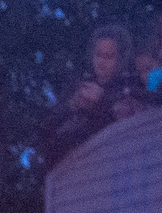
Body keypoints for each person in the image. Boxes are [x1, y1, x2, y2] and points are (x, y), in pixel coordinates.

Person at [41, 25, 128, 165]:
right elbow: (48, 132)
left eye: (109, 56)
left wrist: (102, 102)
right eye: (98, 55)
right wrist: (72, 106)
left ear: (121, 59)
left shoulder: (129, 89)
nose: (102, 62)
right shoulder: (78, 88)